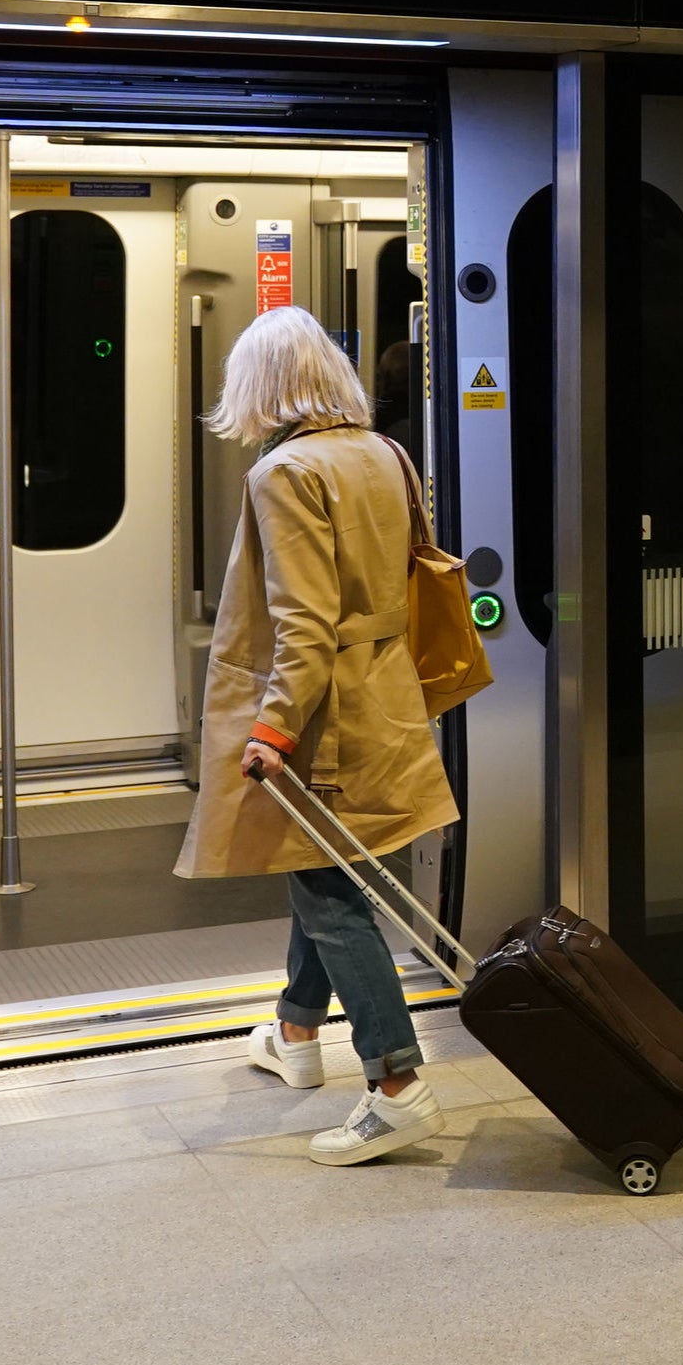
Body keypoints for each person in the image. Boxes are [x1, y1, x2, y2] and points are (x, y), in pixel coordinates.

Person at [173, 305, 461, 1165]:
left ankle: (398, 1084)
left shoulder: (286, 472)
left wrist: (271, 728)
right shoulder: (384, 453)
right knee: (323, 864)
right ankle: (297, 1032)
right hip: (386, 695)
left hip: (324, 708)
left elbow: (303, 624)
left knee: (331, 897)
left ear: (260, 386)